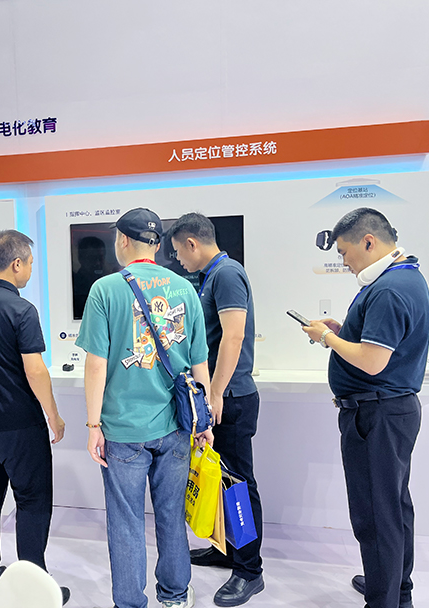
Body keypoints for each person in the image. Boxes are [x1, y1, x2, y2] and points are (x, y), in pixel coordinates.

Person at [75, 208, 212, 608]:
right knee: (171, 516)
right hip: (176, 426)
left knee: (126, 522)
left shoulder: (105, 290)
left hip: (122, 430)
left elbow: (96, 364)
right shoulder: (185, 288)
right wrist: (203, 420)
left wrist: (93, 425)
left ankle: (130, 602)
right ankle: (175, 596)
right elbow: (199, 362)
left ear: (122, 240)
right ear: (157, 244)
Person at [302, 208, 429, 608]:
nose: (344, 261)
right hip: (388, 411)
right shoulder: (405, 278)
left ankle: (383, 599)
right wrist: (344, 332)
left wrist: (326, 338)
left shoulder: (389, 289)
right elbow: (379, 347)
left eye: (344, 252)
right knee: (393, 507)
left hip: (376, 415)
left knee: (375, 515)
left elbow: (373, 362)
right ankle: (395, 589)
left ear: (368, 242)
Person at [0, 229, 69, 604]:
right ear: (16, 263)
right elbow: (35, 371)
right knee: (33, 501)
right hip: (20, 424)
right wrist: (53, 416)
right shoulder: (22, 311)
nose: (32, 270)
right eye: (31, 263)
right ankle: (33, 590)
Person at [168, 213, 265, 607]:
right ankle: (227, 550)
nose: (178, 260)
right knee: (219, 479)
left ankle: (249, 571)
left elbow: (234, 335)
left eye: (178, 252)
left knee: (237, 484)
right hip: (220, 395)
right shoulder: (213, 276)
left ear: (192, 243)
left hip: (232, 397)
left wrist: (217, 393)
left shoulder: (226, 274)